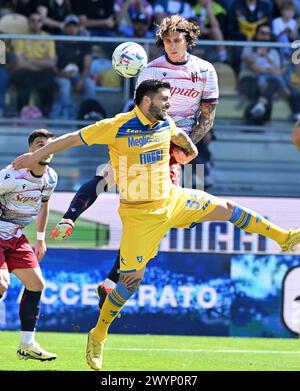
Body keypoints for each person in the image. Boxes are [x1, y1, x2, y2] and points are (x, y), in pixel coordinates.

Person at [12, 80, 300, 370]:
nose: (169, 104)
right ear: (145, 100)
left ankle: (284, 237)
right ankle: (98, 333)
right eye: (164, 99)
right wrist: (35, 157)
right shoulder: (117, 125)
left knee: (227, 208)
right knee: (130, 281)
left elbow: (188, 152)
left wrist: (187, 147)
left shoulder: (167, 122)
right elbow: (73, 138)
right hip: (140, 216)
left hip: (173, 200)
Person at [51, 14, 219, 307]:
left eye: (177, 40)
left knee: (153, 215)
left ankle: (111, 281)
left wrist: (186, 147)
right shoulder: (151, 70)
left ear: (188, 40)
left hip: (179, 144)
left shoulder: (205, 71)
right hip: (148, 138)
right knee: (112, 179)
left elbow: (207, 116)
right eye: (166, 41)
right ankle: (73, 221)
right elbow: (141, 110)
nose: (172, 46)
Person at [0, 129, 57, 361]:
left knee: (36, 284)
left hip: (16, 235)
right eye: (39, 144)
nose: (44, 149)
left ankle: (27, 345)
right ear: (30, 149)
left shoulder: (51, 177)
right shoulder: (12, 175)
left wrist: (41, 238)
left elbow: (44, 205)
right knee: (1, 285)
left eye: (49, 146)